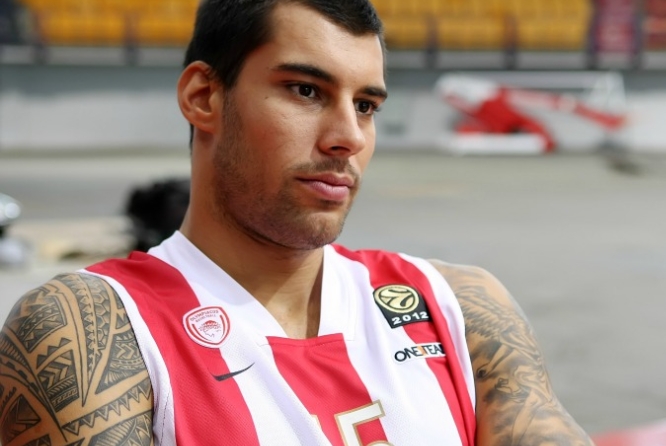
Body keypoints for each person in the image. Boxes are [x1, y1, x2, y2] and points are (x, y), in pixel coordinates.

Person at [0, 1, 593, 445]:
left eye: (366, 105)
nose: (348, 137)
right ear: (204, 97)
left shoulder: (461, 306)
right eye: (306, 90)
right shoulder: (94, 328)